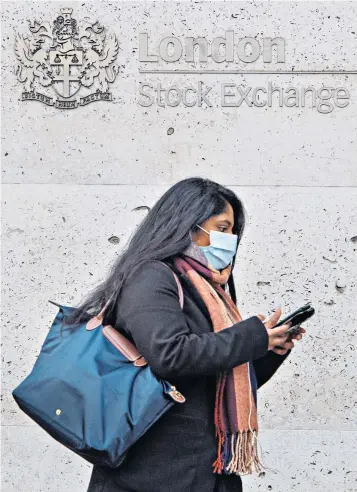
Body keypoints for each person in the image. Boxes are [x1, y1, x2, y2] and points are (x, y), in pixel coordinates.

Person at [66, 177, 306, 492]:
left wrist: (270, 349)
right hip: (151, 474)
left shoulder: (208, 290)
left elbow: (216, 379)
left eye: (233, 231)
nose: (230, 239)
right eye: (222, 228)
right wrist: (251, 336)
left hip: (206, 468)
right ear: (187, 225)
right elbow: (170, 355)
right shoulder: (151, 276)